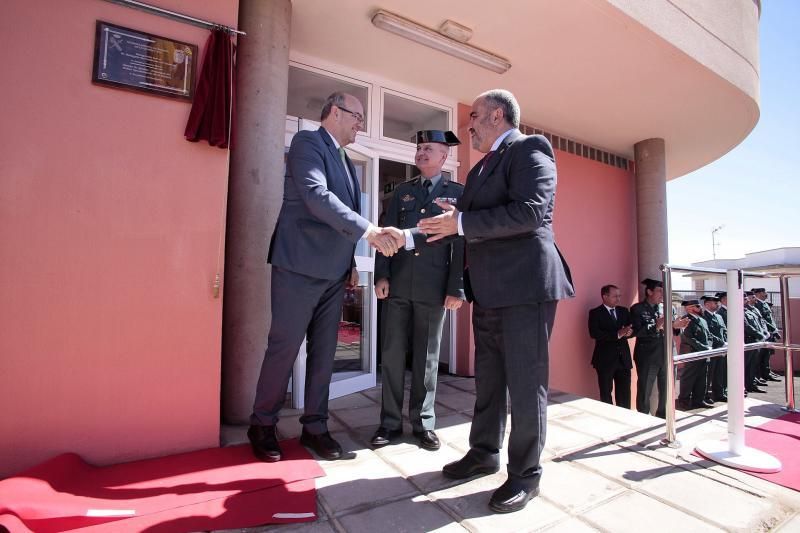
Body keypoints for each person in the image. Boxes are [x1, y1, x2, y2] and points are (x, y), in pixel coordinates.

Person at [417, 89, 574, 513]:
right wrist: (455, 215)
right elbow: (474, 219)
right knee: (488, 381)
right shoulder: (485, 165)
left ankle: (526, 475)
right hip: (489, 288)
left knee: (525, 386)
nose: (468, 127)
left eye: (474, 119)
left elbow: (529, 213)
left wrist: (462, 220)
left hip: (525, 287)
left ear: (497, 116)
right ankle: (483, 453)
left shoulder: (529, 149)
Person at [248, 92, 406, 463]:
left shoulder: (347, 161)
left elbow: (342, 216)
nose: (360, 124)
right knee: (284, 348)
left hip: (334, 274)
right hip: (299, 268)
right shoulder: (307, 143)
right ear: (335, 112)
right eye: (357, 116)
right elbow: (317, 197)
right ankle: (262, 424)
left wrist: (350, 262)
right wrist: (369, 231)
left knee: (325, 354)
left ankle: (315, 427)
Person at [370, 130, 466, 451]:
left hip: (434, 288)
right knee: (393, 354)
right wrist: (381, 275)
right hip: (398, 283)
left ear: (444, 157)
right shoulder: (402, 192)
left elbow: (461, 246)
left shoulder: (457, 194)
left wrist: (456, 288)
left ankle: (424, 423)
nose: (422, 153)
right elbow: (386, 235)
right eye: (419, 148)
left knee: (427, 357)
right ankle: (390, 422)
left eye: (429, 149)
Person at [630, 279, 688, 418]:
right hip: (648, 355)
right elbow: (637, 331)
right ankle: (643, 416)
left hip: (667, 353)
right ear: (649, 292)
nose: (663, 294)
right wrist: (656, 325)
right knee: (645, 389)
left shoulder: (669, 308)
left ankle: (663, 416)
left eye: (664, 291)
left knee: (667, 389)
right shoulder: (637, 309)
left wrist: (677, 327)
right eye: (659, 291)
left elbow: (673, 330)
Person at [588, 285, 633, 408]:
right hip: (605, 360)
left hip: (623, 360)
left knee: (624, 394)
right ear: (605, 296)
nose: (618, 299)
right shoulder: (595, 313)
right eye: (615, 296)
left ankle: (626, 419)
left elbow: (631, 328)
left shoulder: (624, 311)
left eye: (619, 296)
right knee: (606, 394)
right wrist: (617, 334)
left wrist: (629, 332)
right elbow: (594, 333)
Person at [677, 299, 713, 409]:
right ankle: (684, 401)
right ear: (689, 308)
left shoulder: (702, 320)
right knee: (688, 378)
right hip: (692, 354)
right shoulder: (685, 320)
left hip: (703, 354)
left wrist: (709, 347)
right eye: (697, 306)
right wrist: (705, 348)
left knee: (702, 378)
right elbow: (688, 338)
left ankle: (699, 400)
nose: (700, 308)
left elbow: (709, 335)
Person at [701, 295, 727, 403]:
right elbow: (708, 333)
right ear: (706, 304)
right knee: (708, 374)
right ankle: (705, 396)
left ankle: (719, 394)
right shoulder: (703, 316)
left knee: (719, 373)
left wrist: (726, 342)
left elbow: (724, 331)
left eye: (718, 303)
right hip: (712, 349)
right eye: (714, 303)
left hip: (721, 349)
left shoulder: (719, 316)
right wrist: (722, 342)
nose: (717, 304)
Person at [752, 288, 781, 382]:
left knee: (766, 354)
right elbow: (762, 320)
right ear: (759, 293)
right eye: (764, 292)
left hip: (769, 333)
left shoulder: (764, 304)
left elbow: (770, 319)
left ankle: (766, 373)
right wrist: (769, 331)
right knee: (759, 356)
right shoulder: (757, 304)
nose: (766, 294)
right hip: (763, 333)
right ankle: (758, 375)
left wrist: (774, 330)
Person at [744, 291, 770, 393]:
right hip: (748, 341)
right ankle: (745, 386)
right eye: (745, 299)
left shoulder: (750, 311)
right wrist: (760, 335)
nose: (748, 300)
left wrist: (764, 332)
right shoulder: (740, 312)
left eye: (747, 299)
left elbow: (759, 323)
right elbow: (747, 326)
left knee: (752, 365)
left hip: (755, 341)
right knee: (745, 366)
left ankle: (751, 384)